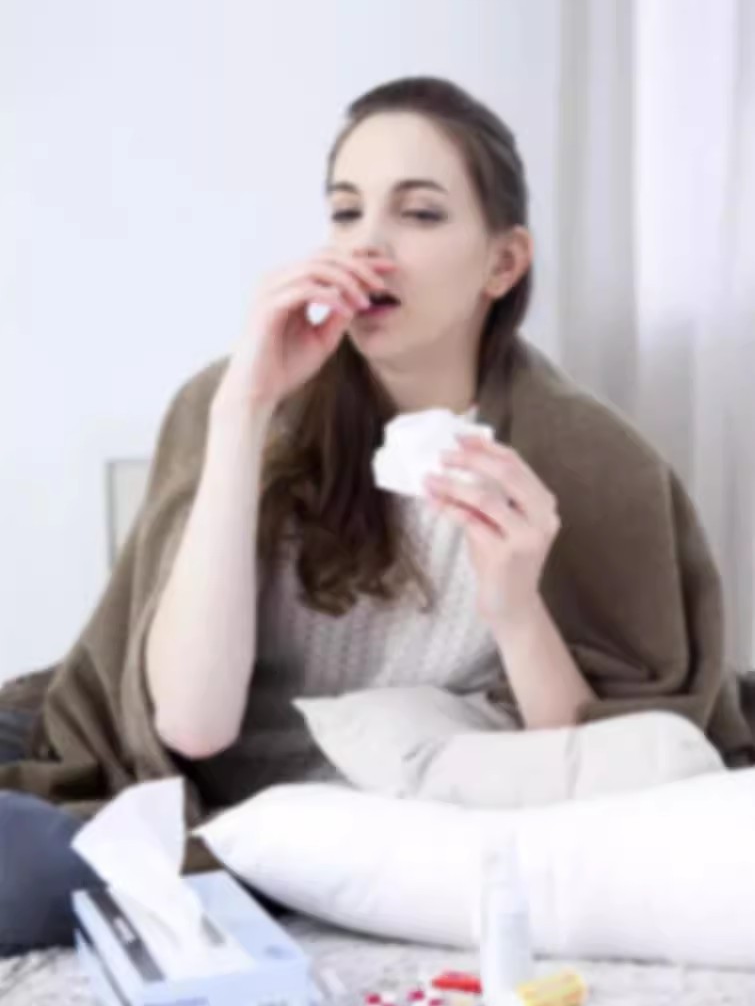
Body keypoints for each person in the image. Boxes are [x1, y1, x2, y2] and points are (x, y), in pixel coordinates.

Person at [1, 75, 751, 957]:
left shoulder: (593, 459)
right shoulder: (234, 401)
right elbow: (190, 725)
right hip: (154, 754)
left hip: (328, 811)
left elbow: (582, 771)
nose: (369, 245)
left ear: (503, 262)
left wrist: (514, 606)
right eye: (346, 211)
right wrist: (244, 409)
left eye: (420, 213)